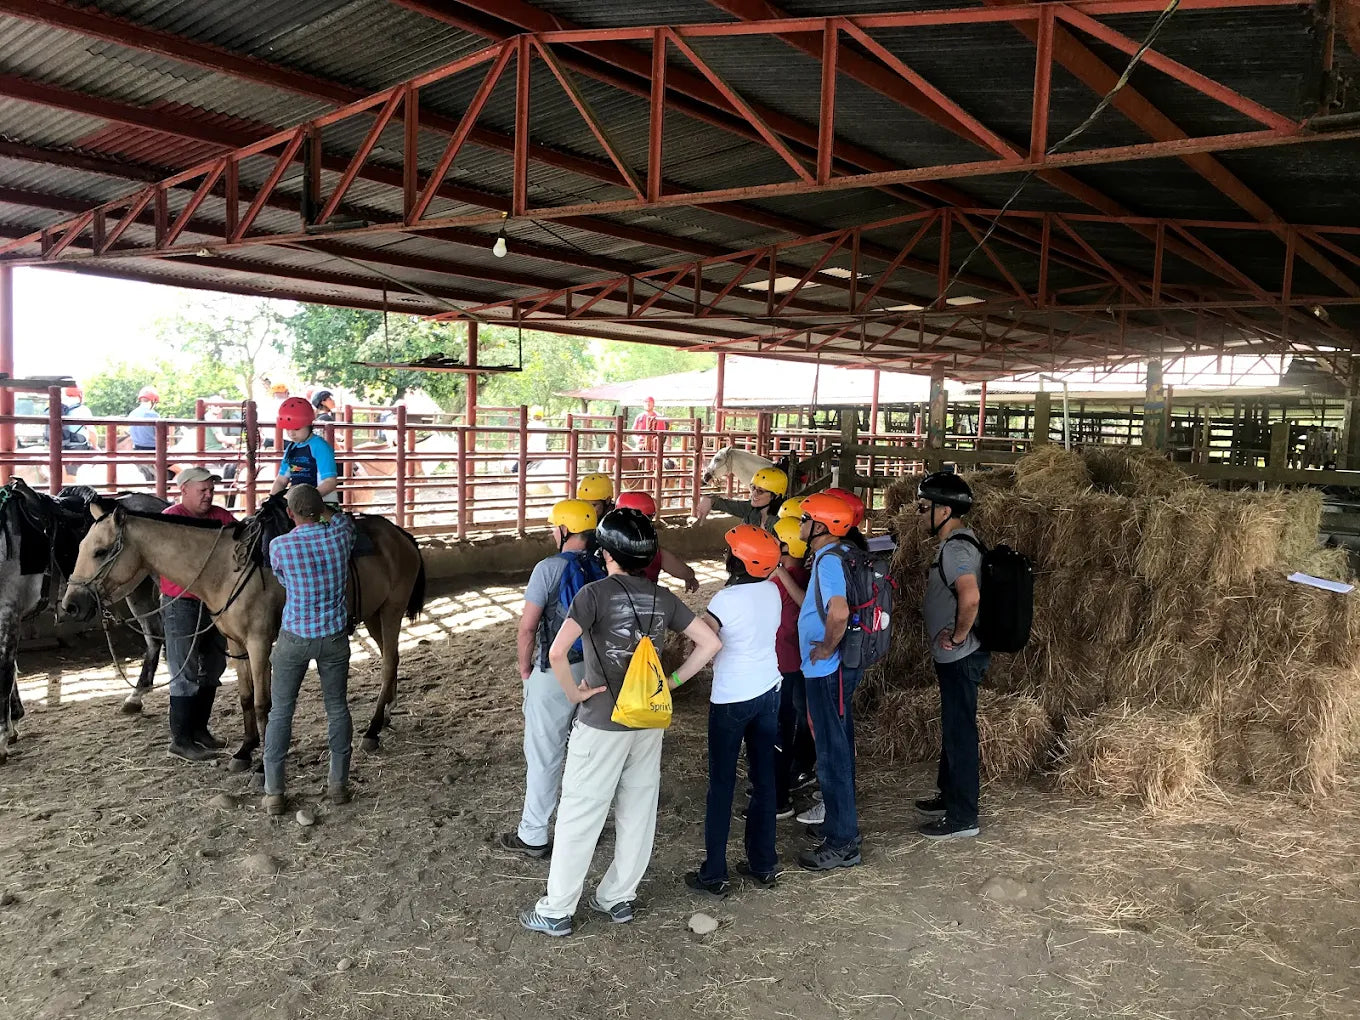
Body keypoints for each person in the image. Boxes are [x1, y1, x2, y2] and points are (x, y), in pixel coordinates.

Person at [519, 508, 722, 937]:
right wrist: (672, 681)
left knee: (581, 812)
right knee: (638, 809)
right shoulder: (662, 597)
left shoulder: (593, 595)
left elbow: (557, 654)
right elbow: (711, 642)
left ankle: (557, 909)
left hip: (601, 721)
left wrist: (575, 694)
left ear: (606, 552)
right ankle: (618, 897)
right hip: (648, 720)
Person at [502, 499, 605, 859]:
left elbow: (527, 628)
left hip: (553, 670)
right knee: (587, 753)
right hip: (594, 671)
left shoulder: (548, 568)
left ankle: (533, 833)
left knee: (545, 753)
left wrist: (525, 670)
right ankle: (583, 830)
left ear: (563, 530)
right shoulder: (602, 566)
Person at [685, 524, 784, 898]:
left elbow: (704, 640)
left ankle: (715, 872)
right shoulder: (772, 592)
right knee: (764, 779)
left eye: (729, 551)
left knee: (722, 785)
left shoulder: (725, 601)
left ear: (738, 560)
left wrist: (675, 678)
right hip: (768, 691)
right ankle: (763, 863)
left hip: (731, 699)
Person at [262, 484, 357, 815]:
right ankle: (338, 785)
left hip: (295, 637)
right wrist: (323, 509)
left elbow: (284, 582)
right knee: (337, 707)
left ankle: (275, 792)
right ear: (319, 510)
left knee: (281, 712)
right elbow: (340, 519)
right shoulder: (340, 535)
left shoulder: (280, 546)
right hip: (333, 636)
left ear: (290, 514)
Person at [915, 472, 988, 841]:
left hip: (961, 656)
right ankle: (949, 795)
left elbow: (970, 596)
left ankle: (963, 817)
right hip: (956, 657)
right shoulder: (954, 544)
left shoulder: (958, 548)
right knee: (954, 727)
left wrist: (958, 636)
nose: (920, 513)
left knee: (960, 732)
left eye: (924, 507)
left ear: (944, 510)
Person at [795, 491, 862, 871]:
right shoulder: (833, 555)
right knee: (838, 747)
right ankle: (840, 828)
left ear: (821, 526)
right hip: (830, 671)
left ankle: (843, 842)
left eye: (806, 519)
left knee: (832, 755)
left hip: (827, 671)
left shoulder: (829, 562)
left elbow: (838, 611)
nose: (802, 525)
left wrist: (825, 647)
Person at [161, 467, 237, 762]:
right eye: (202, 490)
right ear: (184, 491)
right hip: (183, 601)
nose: (209, 495)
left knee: (214, 666)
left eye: (210, 490)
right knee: (184, 669)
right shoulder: (171, 519)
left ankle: (199, 730)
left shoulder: (222, 517)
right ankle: (180, 739)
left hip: (215, 603)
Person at [772, 515, 817, 815]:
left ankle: (779, 791)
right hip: (799, 661)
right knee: (799, 718)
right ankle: (798, 771)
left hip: (782, 663)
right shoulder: (806, 576)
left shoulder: (778, 582)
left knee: (780, 726)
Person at [616, 491, 699, 593]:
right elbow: (685, 572)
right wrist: (690, 577)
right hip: (646, 602)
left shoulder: (605, 548)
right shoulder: (654, 552)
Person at [270, 396, 340, 503]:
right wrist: (271, 501)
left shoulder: (320, 446)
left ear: (309, 425)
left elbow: (330, 482)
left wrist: (306, 500)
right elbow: (281, 480)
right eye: (288, 429)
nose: (291, 433)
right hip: (298, 504)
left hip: (322, 504)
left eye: (296, 429)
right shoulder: (291, 448)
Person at [693, 466, 787, 533]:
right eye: (753, 488)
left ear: (776, 496)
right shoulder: (749, 509)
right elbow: (726, 504)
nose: (754, 494)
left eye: (760, 491)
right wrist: (710, 500)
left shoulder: (783, 522)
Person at [128, 386, 160, 452]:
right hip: (153, 449)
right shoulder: (154, 415)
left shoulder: (132, 414)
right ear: (153, 401)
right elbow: (160, 434)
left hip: (136, 449)